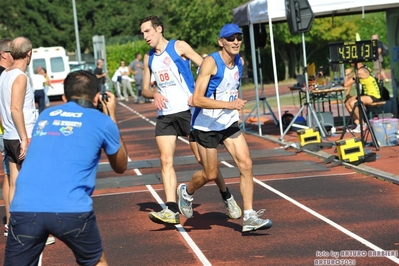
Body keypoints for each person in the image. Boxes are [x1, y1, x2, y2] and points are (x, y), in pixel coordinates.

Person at [4, 70, 128, 266]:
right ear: (97, 97)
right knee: (96, 261)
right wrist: (112, 115)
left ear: (64, 97)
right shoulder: (101, 121)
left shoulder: (46, 115)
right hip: (71, 207)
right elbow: (120, 166)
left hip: (26, 205)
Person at [140, 16, 242, 225]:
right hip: (165, 115)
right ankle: (170, 208)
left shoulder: (179, 46)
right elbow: (144, 90)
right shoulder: (148, 58)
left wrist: (199, 95)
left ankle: (226, 196)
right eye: (142, 33)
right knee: (165, 160)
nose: (145, 36)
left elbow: (205, 65)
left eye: (148, 31)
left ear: (159, 29)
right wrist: (155, 93)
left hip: (189, 112)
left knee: (206, 166)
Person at [177, 24, 273, 233]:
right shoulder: (211, 63)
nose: (236, 42)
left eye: (238, 37)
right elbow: (198, 99)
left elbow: (230, 88)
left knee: (246, 164)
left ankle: (248, 217)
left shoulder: (239, 61)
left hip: (228, 123)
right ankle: (186, 191)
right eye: (230, 38)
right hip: (206, 126)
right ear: (221, 42)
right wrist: (231, 104)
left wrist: (231, 106)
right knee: (210, 174)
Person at [0, 37, 37, 237]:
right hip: (23, 136)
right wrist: (25, 138)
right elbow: (15, 108)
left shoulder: (4, 74)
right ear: (29, 53)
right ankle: (30, 228)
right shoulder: (20, 77)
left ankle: (14, 225)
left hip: (8, 135)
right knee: (31, 183)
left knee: (15, 183)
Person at [343, 62, 381, 133]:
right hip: (367, 94)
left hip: (374, 96)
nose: (351, 65)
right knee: (347, 102)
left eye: (351, 63)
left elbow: (346, 84)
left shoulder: (360, 72)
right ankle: (358, 124)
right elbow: (350, 84)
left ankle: (363, 124)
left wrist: (346, 74)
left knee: (353, 103)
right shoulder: (364, 68)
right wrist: (347, 95)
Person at [0, 38, 13, 237]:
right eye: (13, 51)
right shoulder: (3, 75)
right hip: (6, 131)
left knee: (8, 176)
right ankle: (13, 224)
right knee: (13, 176)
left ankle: (11, 221)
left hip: (3, 130)